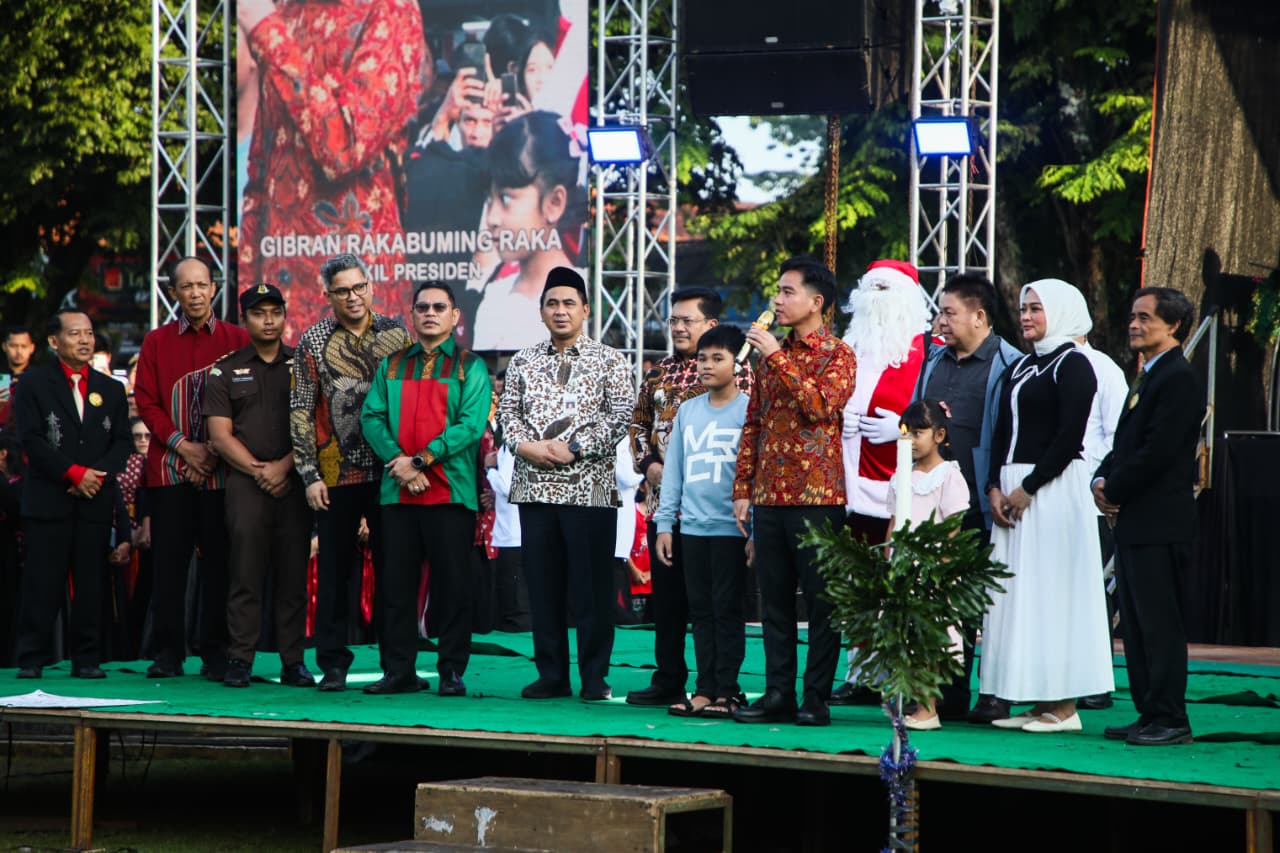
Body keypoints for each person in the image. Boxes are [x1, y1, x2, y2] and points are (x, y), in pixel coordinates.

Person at [236, 0, 425, 339]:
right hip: (280, 305)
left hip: (358, 299)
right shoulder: (285, 10)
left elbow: (344, 148)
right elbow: (260, 177)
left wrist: (269, 34)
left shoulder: (390, 10)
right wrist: (247, 300)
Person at [983, 279, 1114, 734]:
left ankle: (1064, 707)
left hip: (1053, 490)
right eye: (1022, 308)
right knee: (1022, 596)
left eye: (1036, 309)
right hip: (1014, 490)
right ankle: (1038, 699)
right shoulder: (1019, 368)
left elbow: (1070, 437)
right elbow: (999, 433)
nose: (1025, 317)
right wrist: (995, 488)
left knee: (1055, 593)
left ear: (1059, 312)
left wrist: (1030, 487)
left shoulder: (1075, 365)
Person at [731, 256, 856, 727]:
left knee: (822, 602)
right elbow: (754, 422)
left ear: (816, 302)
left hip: (818, 497)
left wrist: (777, 359)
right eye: (777, 292)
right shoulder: (769, 357)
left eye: (787, 292)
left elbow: (821, 406)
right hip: (769, 496)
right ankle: (779, 692)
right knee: (775, 602)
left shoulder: (838, 354)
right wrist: (742, 486)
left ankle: (816, 697)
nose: (777, 302)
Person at [498, 266, 633, 700]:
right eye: (552, 303)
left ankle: (595, 677)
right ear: (540, 312)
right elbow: (507, 414)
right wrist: (524, 446)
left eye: (569, 303)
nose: (560, 311)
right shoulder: (522, 360)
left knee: (592, 589)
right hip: (535, 489)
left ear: (585, 310)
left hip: (589, 490)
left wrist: (576, 446)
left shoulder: (610, 359)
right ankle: (552, 674)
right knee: (543, 585)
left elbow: (619, 417)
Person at [360, 281, 491, 695]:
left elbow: (470, 427)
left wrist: (419, 461)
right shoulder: (392, 365)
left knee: (454, 587)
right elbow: (371, 418)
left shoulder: (472, 366)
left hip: (451, 493)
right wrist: (402, 464)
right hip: (397, 494)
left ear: (455, 317)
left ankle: (451, 671)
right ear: (412, 316)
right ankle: (398, 670)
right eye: (422, 307)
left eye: (439, 307)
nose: (430, 313)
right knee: (395, 587)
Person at [626, 287, 752, 707]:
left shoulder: (745, 375)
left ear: (710, 326)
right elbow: (637, 426)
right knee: (674, 602)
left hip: (726, 512)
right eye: (674, 320)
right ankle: (673, 680)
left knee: (722, 605)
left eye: (687, 321)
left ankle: (722, 688)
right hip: (669, 504)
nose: (678, 328)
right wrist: (650, 467)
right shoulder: (657, 373)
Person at [291, 253, 412, 691]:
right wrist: (308, 474)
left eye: (358, 286)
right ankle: (334, 665)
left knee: (394, 571)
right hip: (333, 475)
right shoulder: (313, 340)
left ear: (371, 286)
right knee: (336, 574)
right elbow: (301, 410)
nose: (352, 296)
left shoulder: (397, 334)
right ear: (328, 295)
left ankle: (398, 666)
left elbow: (411, 405)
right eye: (342, 290)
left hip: (390, 474)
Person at [1094, 287, 1202, 746]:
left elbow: (1159, 451)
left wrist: (1114, 487)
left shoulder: (1178, 377)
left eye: (1145, 318)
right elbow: (1125, 445)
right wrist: (1100, 480)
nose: (1134, 325)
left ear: (1173, 325)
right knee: (1135, 624)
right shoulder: (1148, 375)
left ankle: (1171, 717)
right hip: (1135, 519)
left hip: (1159, 520)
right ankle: (1149, 711)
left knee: (1159, 623)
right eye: (1133, 316)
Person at [135, 256, 249, 679]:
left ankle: (215, 650)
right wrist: (186, 447)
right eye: (187, 287)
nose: (196, 293)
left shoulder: (238, 338)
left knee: (221, 563)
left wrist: (215, 452)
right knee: (169, 564)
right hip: (169, 469)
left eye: (203, 285)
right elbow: (146, 402)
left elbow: (248, 401)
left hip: (223, 470)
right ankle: (168, 652)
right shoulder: (156, 342)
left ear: (214, 288)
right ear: (174, 293)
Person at [914, 272, 1021, 722]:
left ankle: (995, 693)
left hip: (984, 501)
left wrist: (997, 487)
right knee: (936, 598)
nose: (940, 321)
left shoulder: (1010, 363)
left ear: (979, 316)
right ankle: (942, 696)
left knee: (981, 600)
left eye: (949, 313)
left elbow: (1012, 435)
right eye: (940, 311)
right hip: (931, 502)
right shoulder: (933, 360)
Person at [832, 259, 932, 705]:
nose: (877, 299)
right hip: (847, 483)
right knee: (855, 584)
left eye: (887, 290)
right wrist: (839, 417)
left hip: (901, 485)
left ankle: (904, 678)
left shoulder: (926, 349)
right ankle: (860, 672)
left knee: (901, 583)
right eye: (871, 289)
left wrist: (906, 428)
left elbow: (944, 410)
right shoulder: (848, 346)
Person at [205, 284, 315, 689]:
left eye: (275, 312)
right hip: (246, 485)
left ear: (286, 316)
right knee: (245, 574)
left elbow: (317, 427)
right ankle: (240, 659)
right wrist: (259, 470)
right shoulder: (226, 369)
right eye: (258, 313)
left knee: (293, 575)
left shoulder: (304, 365)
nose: (268, 320)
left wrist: (284, 467)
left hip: (295, 480)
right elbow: (219, 436)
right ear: (244, 319)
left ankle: (293, 661)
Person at [11, 310, 132, 678]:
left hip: (95, 500)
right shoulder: (33, 383)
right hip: (50, 499)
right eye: (75, 334)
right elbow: (30, 438)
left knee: (91, 583)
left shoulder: (110, 388)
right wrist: (72, 473)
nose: (84, 341)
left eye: (89, 334)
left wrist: (96, 475)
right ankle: (31, 658)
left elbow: (123, 442)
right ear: (53, 341)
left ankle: (87, 659)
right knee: (42, 583)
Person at [654, 324, 751, 719]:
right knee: (701, 610)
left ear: (737, 364)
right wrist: (665, 524)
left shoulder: (749, 409)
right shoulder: (688, 411)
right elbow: (673, 470)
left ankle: (728, 689)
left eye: (717, 358)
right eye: (702, 359)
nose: (707, 366)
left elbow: (754, 473)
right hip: (691, 528)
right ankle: (704, 688)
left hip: (732, 529)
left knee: (727, 609)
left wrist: (755, 529)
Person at [884, 400, 971, 730]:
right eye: (906, 433)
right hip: (904, 568)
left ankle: (929, 706)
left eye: (918, 433)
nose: (911, 439)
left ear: (939, 434)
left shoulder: (949, 475)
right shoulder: (900, 476)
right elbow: (893, 521)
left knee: (930, 639)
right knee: (905, 637)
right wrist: (889, 562)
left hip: (932, 570)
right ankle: (912, 699)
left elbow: (952, 526)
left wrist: (941, 569)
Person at [469, 112, 588, 352]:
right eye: (489, 200)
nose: (491, 218)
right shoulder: (493, 298)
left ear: (554, 203)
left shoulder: (586, 295)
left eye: (505, 198)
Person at [1074, 332, 1128, 712]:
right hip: (1052, 503)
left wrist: (1102, 485)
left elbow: (1117, 438)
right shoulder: (1033, 367)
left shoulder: (1103, 369)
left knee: (1091, 594)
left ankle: (1095, 682)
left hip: (1089, 501)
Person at [0, 326, 37, 425]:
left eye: (23, 346)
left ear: (32, 348)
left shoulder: (40, 378)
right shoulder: (1, 376)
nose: (19, 351)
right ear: (4, 346)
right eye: (13, 346)